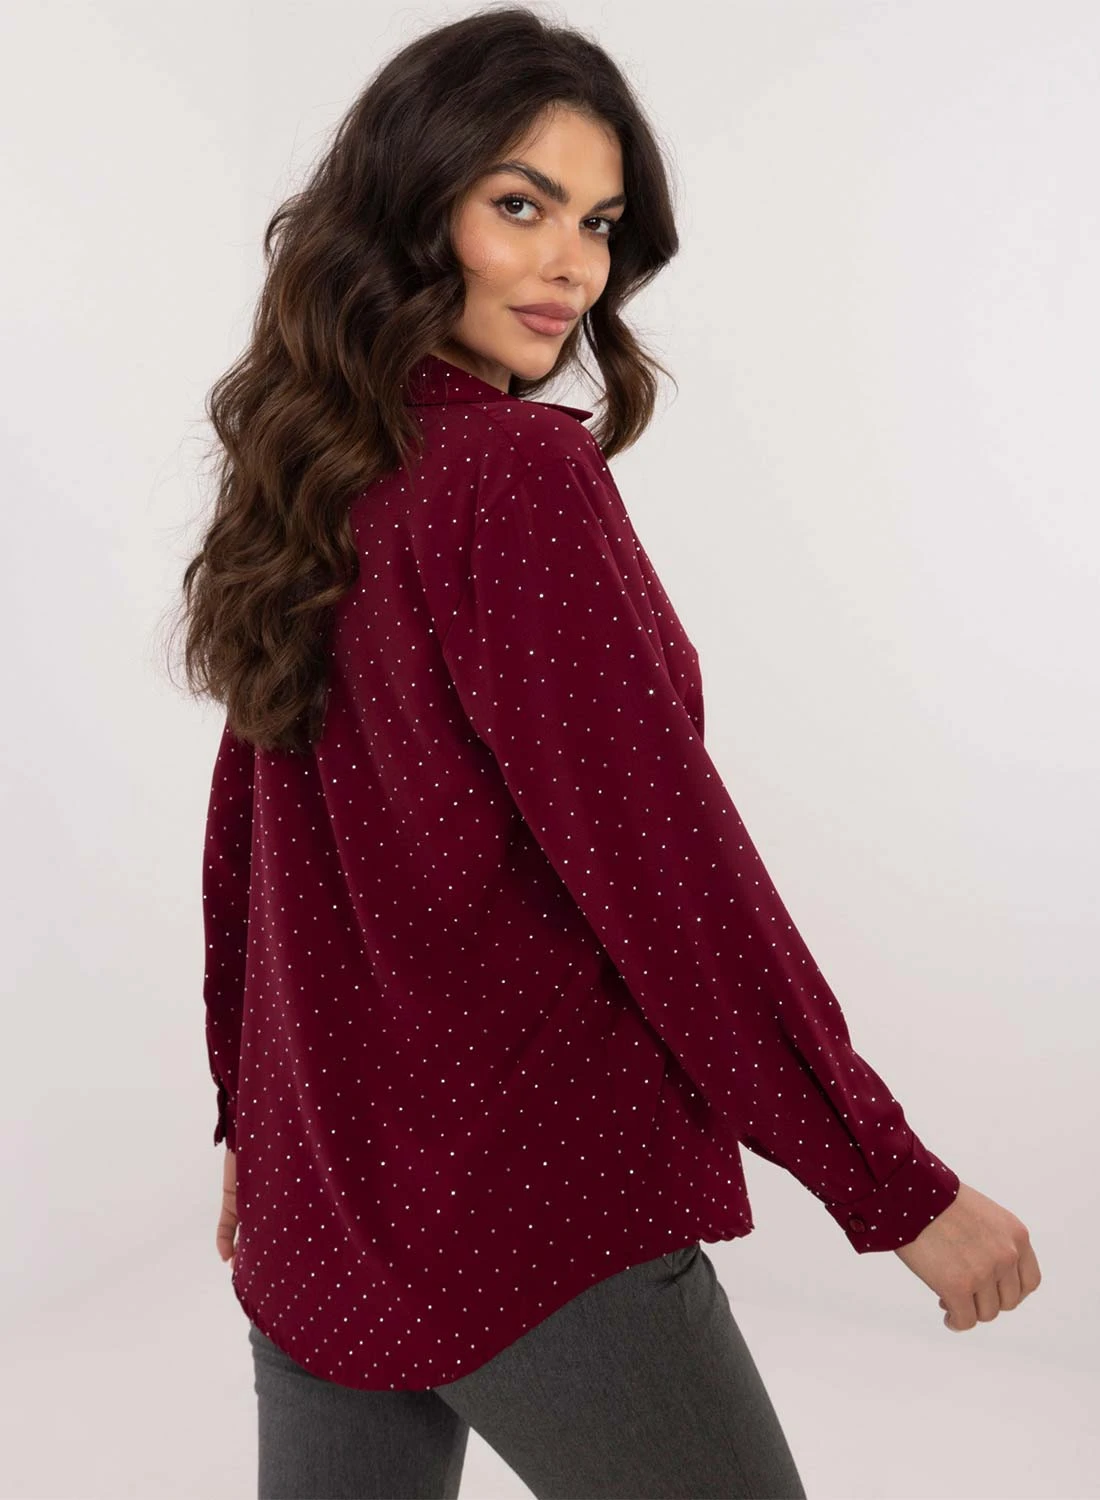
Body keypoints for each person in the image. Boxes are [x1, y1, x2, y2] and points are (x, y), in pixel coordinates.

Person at [176, 7, 1041, 1497]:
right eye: (522, 205)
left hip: (325, 1212)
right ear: (411, 203)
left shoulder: (313, 468)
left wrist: (255, 1120)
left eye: (598, 221)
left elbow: (246, 845)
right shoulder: (511, 478)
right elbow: (665, 873)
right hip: (534, 1213)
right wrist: (890, 1182)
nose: (574, 265)